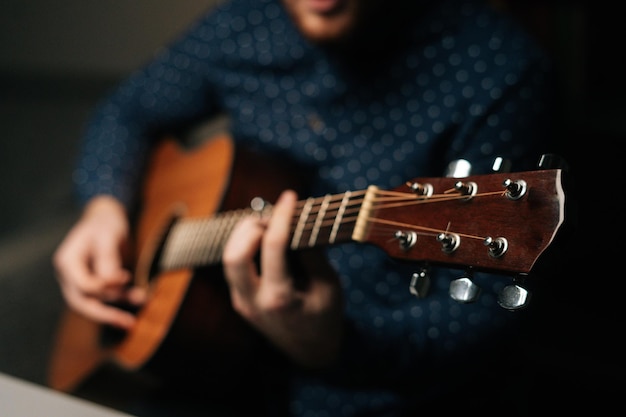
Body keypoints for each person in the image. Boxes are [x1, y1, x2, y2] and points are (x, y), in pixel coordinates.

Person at [52, 0, 558, 416]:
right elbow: (128, 111)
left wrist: (336, 345)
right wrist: (103, 206)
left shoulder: (497, 66)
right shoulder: (244, 24)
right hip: (206, 367)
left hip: (377, 392)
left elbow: (493, 308)